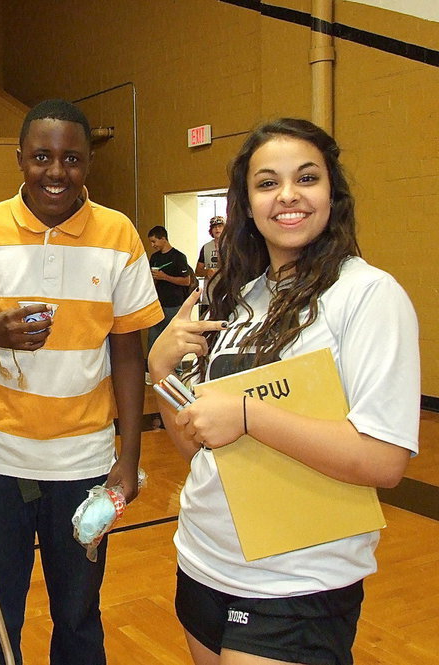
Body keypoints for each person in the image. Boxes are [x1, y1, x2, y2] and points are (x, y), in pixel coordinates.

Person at [148, 118, 419, 665]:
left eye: (307, 178)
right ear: (247, 205)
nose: (288, 195)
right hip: (203, 560)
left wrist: (250, 415)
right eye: (267, 182)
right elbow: (202, 450)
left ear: (332, 193)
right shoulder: (241, 300)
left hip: (296, 584)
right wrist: (160, 373)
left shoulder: (367, 295)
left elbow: (385, 460)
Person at [0, 99, 162, 665]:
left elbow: (129, 353)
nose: (56, 172)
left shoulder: (118, 235)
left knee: (80, 620)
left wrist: (128, 457)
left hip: (83, 468)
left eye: (72, 159)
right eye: (41, 157)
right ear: (20, 159)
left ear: (89, 163)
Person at [146, 225, 190, 354]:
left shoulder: (179, 257)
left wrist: (165, 277)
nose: (153, 245)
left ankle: (177, 369)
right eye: (151, 242)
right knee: (153, 338)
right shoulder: (154, 258)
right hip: (157, 304)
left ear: (163, 239)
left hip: (174, 304)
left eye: (154, 241)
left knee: (173, 338)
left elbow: (186, 281)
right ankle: (152, 368)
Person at [195, 215, 224, 315]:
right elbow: (197, 271)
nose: (217, 229)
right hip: (209, 295)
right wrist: (207, 272)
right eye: (214, 227)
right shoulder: (206, 247)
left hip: (226, 293)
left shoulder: (231, 246)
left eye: (220, 226)